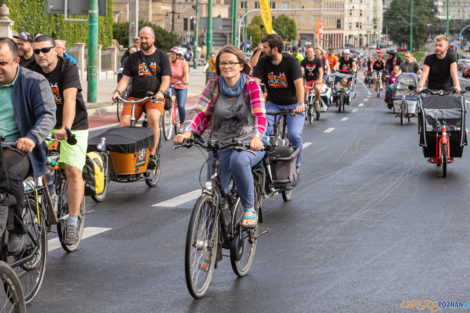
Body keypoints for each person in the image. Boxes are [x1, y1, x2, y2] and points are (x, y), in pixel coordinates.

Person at [174, 46, 267, 261]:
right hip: (220, 141)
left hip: (248, 142)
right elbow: (200, 110)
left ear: (241, 66)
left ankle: (248, 208)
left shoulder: (251, 85)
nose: (226, 67)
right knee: (213, 195)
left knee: (238, 160)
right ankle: (210, 247)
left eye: (231, 63)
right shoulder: (214, 85)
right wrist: (187, 130)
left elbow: (260, 115)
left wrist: (257, 137)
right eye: (222, 63)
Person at [0, 37, 56, 254]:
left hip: (20, 149)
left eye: (2, 63)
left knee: (7, 173)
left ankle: (18, 229)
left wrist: (32, 137)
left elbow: (47, 115)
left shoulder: (34, 82)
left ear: (16, 61)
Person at [33, 35, 89, 245]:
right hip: (43, 125)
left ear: (55, 50)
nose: (41, 55)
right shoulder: (31, 69)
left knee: (73, 170)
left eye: (45, 50)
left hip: (73, 125)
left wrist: (65, 128)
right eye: (37, 51)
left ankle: (73, 221)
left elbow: (70, 99)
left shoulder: (68, 68)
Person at [112, 26, 171, 163]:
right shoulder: (133, 58)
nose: (143, 41)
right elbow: (125, 79)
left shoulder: (162, 56)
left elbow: (166, 79)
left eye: (146, 38)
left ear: (153, 38)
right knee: (124, 123)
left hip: (154, 97)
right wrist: (117, 92)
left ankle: (152, 154)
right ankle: (127, 154)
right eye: (141, 38)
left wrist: (161, 92)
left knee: (153, 118)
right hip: (135, 98)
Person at [253, 34, 305, 171]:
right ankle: (263, 162)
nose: (262, 49)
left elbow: (299, 85)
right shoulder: (263, 61)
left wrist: (300, 104)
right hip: (273, 104)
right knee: (262, 130)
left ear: (275, 49)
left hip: (294, 105)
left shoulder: (291, 61)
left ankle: (296, 166)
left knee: (294, 135)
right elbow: (255, 83)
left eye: (265, 47)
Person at [169, 46, 189, 129]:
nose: (171, 56)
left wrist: (186, 80)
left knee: (181, 105)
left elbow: (186, 72)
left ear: (178, 56)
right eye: (171, 54)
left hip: (181, 86)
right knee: (166, 100)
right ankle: (167, 113)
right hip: (171, 85)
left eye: (173, 54)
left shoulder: (183, 63)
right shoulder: (169, 63)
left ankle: (181, 124)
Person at [301, 46, 323, 113]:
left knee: (317, 88)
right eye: (307, 52)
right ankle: (303, 104)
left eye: (310, 52)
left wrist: (320, 79)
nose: (309, 53)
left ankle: (316, 102)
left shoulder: (318, 60)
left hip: (316, 80)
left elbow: (320, 71)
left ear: (313, 53)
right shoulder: (304, 61)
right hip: (307, 80)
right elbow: (301, 70)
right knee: (303, 91)